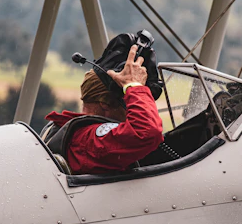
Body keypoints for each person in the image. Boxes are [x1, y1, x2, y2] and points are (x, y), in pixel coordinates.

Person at [43, 45, 163, 175]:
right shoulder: (89, 140)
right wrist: (133, 86)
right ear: (105, 104)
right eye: (127, 100)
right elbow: (146, 132)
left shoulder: (74, 132)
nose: (131, 107)